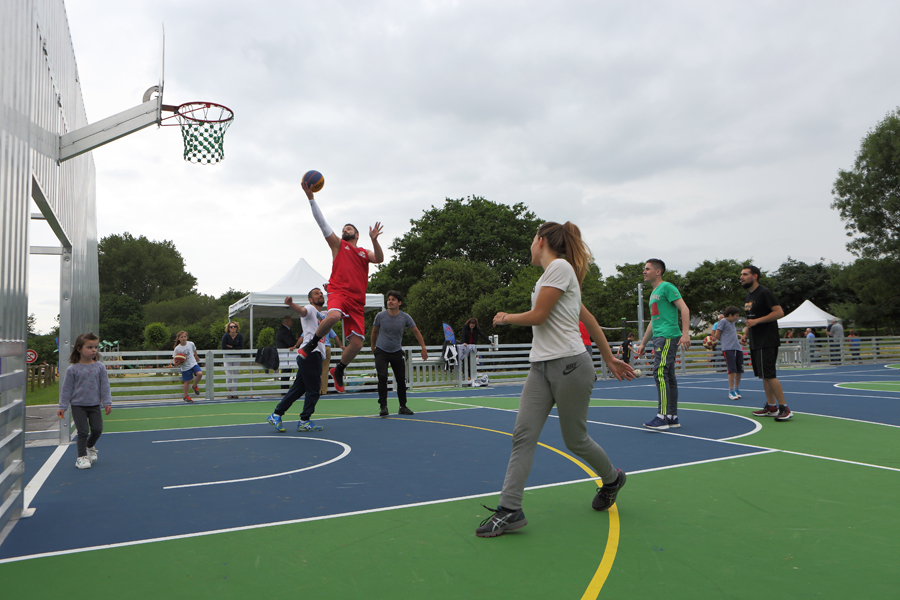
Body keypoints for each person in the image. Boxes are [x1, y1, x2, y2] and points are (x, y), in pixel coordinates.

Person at [475, 221, 633, 538]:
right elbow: (586, 316)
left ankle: (612, 479)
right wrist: (609, 356)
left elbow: (539, 316)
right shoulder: (550, 277)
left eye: (532, 239)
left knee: (575, 440)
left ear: (542, 240)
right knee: (523, 435)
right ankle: (510, 509)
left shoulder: (560, 267)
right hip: (540, 369)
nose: (530, 245)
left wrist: (506, 318)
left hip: (570, 367)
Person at [295, 179, 384, 393]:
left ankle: (340, 369)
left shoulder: (363, 252)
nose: (346, 229)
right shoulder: (338, 245)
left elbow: (379, 258)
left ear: (357, 234)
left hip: (356, 300)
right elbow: (322, 223)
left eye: (350, 228)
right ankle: (310, 344)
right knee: (332, 316)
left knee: (356, 344)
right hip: (338, 291)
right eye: (344, 228)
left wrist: (375, 240)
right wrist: (311, 199)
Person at [634, 259, 691, 430]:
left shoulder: (667, 287)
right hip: (660, 336)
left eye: (647, 269)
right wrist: (643, 343)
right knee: (668, 375)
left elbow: (684, 308)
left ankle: (662, 416)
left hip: (667, 336)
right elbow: (654, 320)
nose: (644, 271)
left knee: (660, 373)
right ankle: (672, 416)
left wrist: (686, 333)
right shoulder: (653, 294)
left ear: (658, 271)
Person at [267, 288, 328, 433]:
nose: (320, 294)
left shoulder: (323, 314)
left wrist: (330, 290)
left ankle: (276, 414)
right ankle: (304, 420)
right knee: (313, 390)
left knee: (297, 389)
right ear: (310, 299)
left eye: (321, 292)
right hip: (310, 353)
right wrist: (291, 304)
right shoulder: (310, 309)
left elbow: (336, 307)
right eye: (316, 293)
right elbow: (302, 311)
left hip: (311, 355)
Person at [740, 265, 792, 421]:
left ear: (755, 276)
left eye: (745, 274)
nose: (741, 277)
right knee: (764, 375)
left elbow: (779, 312)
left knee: (769, 375)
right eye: (741, 275)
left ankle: (784, 408)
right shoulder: (748, 297)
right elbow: (751, 320)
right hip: (756, 340)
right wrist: (746, 334)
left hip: (767, 339)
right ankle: (771, 407)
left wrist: (757, 321)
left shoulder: (764, 293)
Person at [58, 332, 112, 469]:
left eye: (95, 347)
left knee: (97, 429)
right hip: (78, 406)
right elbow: (66, 389)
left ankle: (89, 446)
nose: (94, 350)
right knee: (82, 431)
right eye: (89, 347)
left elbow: (105, 386)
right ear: (79, 349)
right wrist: (63, 406)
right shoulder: (73, 369)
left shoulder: (99, 367)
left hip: (94, 405)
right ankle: (81, 457)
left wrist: (107, 402)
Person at [371, 290, 428, 417]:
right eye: (389, 299)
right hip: (381, 350)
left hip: (396, 351)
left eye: (393, 300)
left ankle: (403, 406)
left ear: (399, 302)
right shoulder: (380, 316)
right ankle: (383, 406)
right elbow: (374, 332)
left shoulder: (405, 317)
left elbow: (416, 332)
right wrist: (373, 346)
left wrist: (423, 347)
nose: (390, 301)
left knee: (401, 379)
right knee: (383, 376)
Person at [712, 306, 743, 400]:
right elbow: (717, 335)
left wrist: (738, 335)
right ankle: (731, 390)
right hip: (728, 348)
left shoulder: (732, 322)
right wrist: (711, 341)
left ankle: (736, 388)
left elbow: (730, 332)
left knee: (739, 369)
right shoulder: (723, 321)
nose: (737, 318)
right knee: (732, 369)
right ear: (730, 315)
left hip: (737, 348)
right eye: (736, 316)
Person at [173, 330, 202, 403]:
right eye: (181, 337)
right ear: (178, 338)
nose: (183, 338)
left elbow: (194, 350)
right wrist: (176, 363)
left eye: (185, 336)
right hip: (185, 366)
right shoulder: (177, 348)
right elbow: (174, 358)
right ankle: (185, 395)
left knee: (199, 374)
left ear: (187, 337)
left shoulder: (191, 344)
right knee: (187, 381)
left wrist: (196, 356)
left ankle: (195, 385)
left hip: (193, 363)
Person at [222, 321, 244, 398]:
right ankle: (229, 392)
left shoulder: (240, 336)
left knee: (235, 375)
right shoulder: (226, 336)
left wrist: (231, 346)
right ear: (228, 328)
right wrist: (234, 347)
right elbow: (223, 347)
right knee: (228, 375)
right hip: (227, 356)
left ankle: (235, 392)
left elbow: (241, 347)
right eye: (231, 327)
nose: (233, 328)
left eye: (234, 326)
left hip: (237, 357)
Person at [320, 328, 344, 395]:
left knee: (316, 369)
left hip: (317, 347)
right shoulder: (328, 325)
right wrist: (340, 345)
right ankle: (324, 390)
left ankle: (317, 390)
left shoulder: (313, 324)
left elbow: (303, 336)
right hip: (326, 347)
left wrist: (295, 345)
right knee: (325, 371)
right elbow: (335, 336)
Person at [275, 315, 296, 390]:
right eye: (291, 321)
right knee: (286, 371)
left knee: (286, 371)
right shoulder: (284, 331)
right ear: (287, 322)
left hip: (285, 354)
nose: (292, 322)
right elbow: (290, 342)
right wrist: (297, 343)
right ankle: (284, 389)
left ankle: (285, 388)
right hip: (285, 354)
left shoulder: (283, 330)